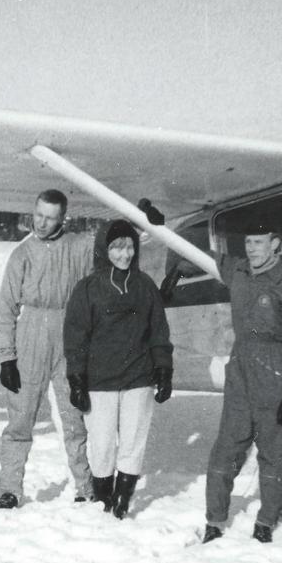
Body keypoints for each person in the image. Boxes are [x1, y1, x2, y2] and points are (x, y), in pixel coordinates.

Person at [201, 221, 282, 544]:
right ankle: (214, 521)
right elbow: (205, 257)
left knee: (275, 453)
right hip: (240, 371)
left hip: (275, 374)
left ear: (275, 244)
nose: (251, 248)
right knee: (226, 449)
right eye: (248, 241)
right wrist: (164, 233)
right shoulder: (238, 271)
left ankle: (265, 522)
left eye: (259, 242)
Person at [63, 219, 173, 519]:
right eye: (116, 247)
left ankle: (122, 501)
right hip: (100, 382)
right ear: (104, 249)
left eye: (129, 247)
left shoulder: (144, 285)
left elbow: (158, 331)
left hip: (139, 377)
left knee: (133, 442)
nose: (124, 254)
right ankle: (103, 500)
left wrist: (163, 369)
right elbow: (75, 338)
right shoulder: (87, 289)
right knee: (101, 446)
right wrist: (76, 379)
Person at [0, 189, 95, 508]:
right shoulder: (21, 254)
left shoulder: (79, 246)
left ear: (63, 218)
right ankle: (10, 488)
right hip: (31, 334)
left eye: (50, 218)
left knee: (74, 417)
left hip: (69, 333)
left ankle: (85, 486)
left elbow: (114, 247)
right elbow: (6, 308)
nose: (41, 223)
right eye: (38, 215)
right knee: (20, 418)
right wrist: (7, 357)